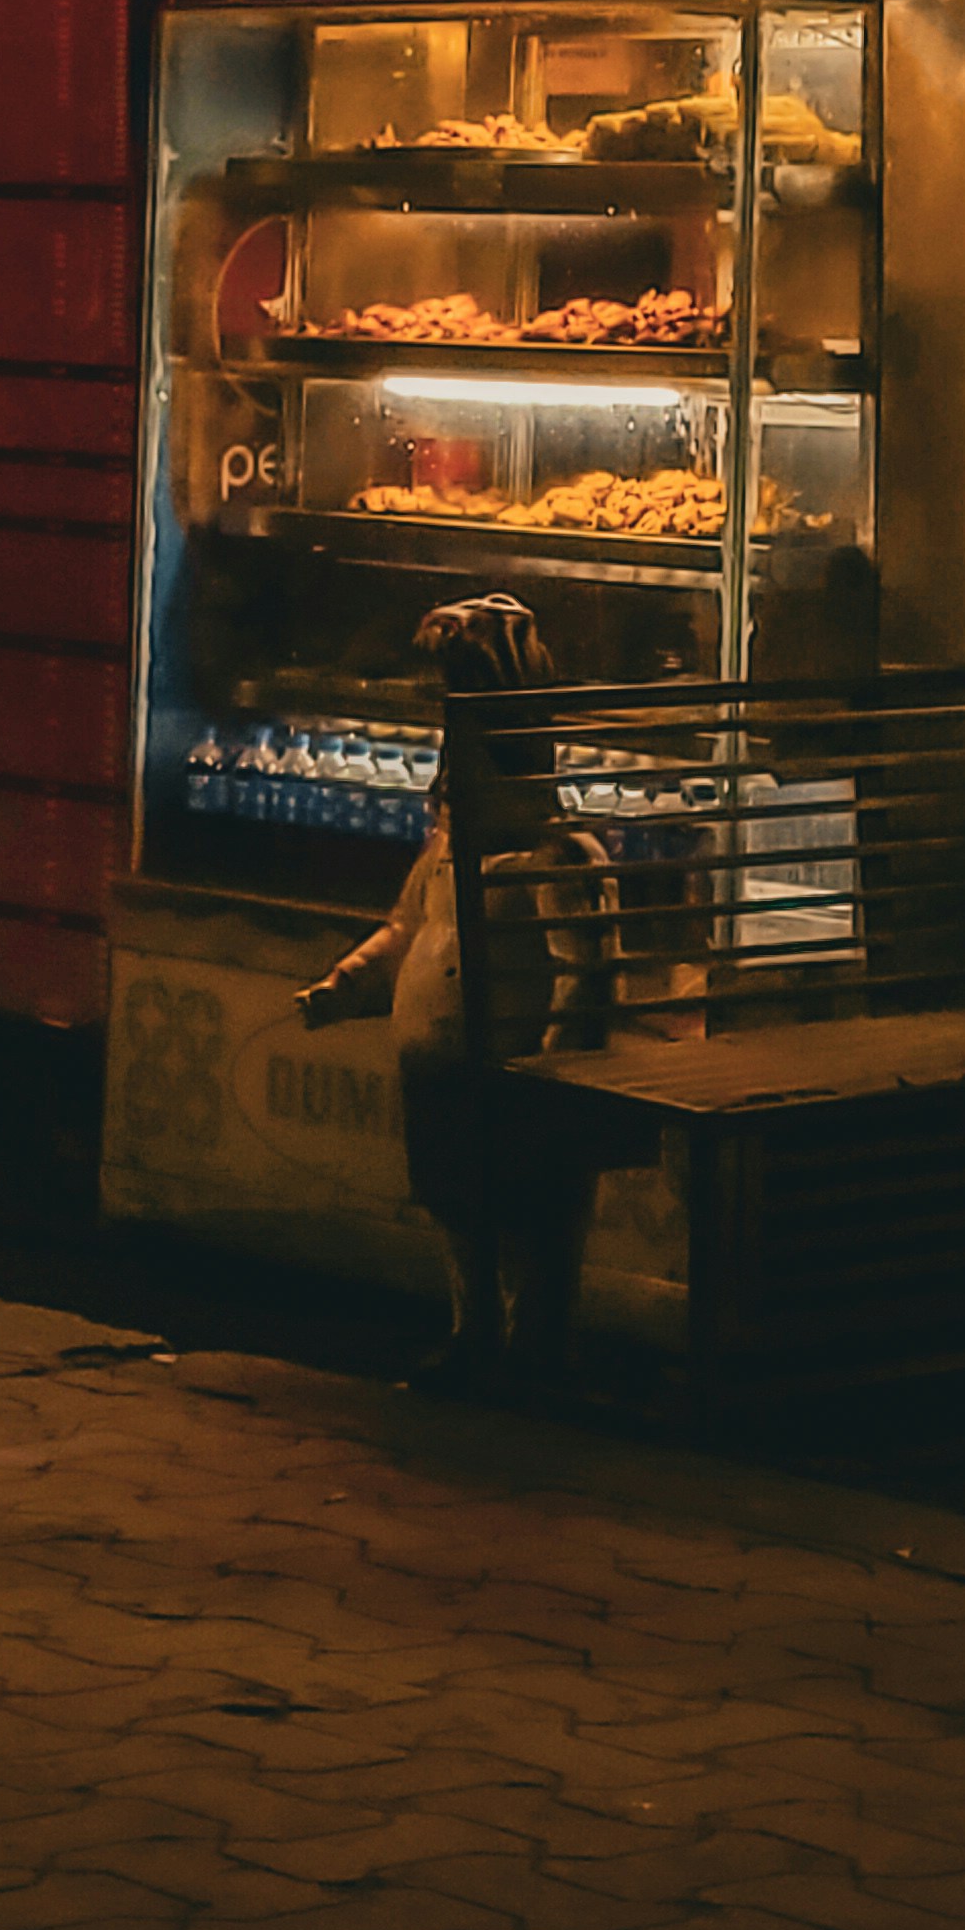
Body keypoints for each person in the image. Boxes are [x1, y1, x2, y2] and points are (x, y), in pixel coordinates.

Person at [297, 595, 625, 1397]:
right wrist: (345, 986)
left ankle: (535, 1348)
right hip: (443, 1075)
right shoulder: (446, 856)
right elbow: (404, 931)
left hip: (517, 1083)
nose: (449, 781)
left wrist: (557, 1068)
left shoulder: (558, 860)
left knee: (534, 1222)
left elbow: (586, 973)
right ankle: (472, 1331)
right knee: (459, 1214)